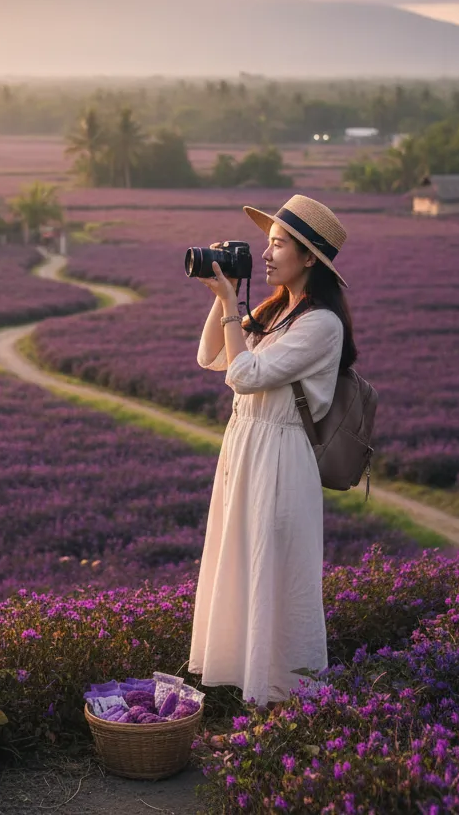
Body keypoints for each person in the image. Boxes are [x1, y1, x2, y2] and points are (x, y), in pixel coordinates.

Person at [188, 194, 358, 709]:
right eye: (266, 243)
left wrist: (229, 303)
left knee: (276, 574)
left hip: (280, 458)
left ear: (310, 258)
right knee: (241, 564)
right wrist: (224, 300)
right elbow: (209, 357)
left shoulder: (321, 324)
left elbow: (243, 377)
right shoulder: (276, 310)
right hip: (245, 449)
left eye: (278, 244)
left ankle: (283, 701)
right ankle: (246, 693)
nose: (265, 254)